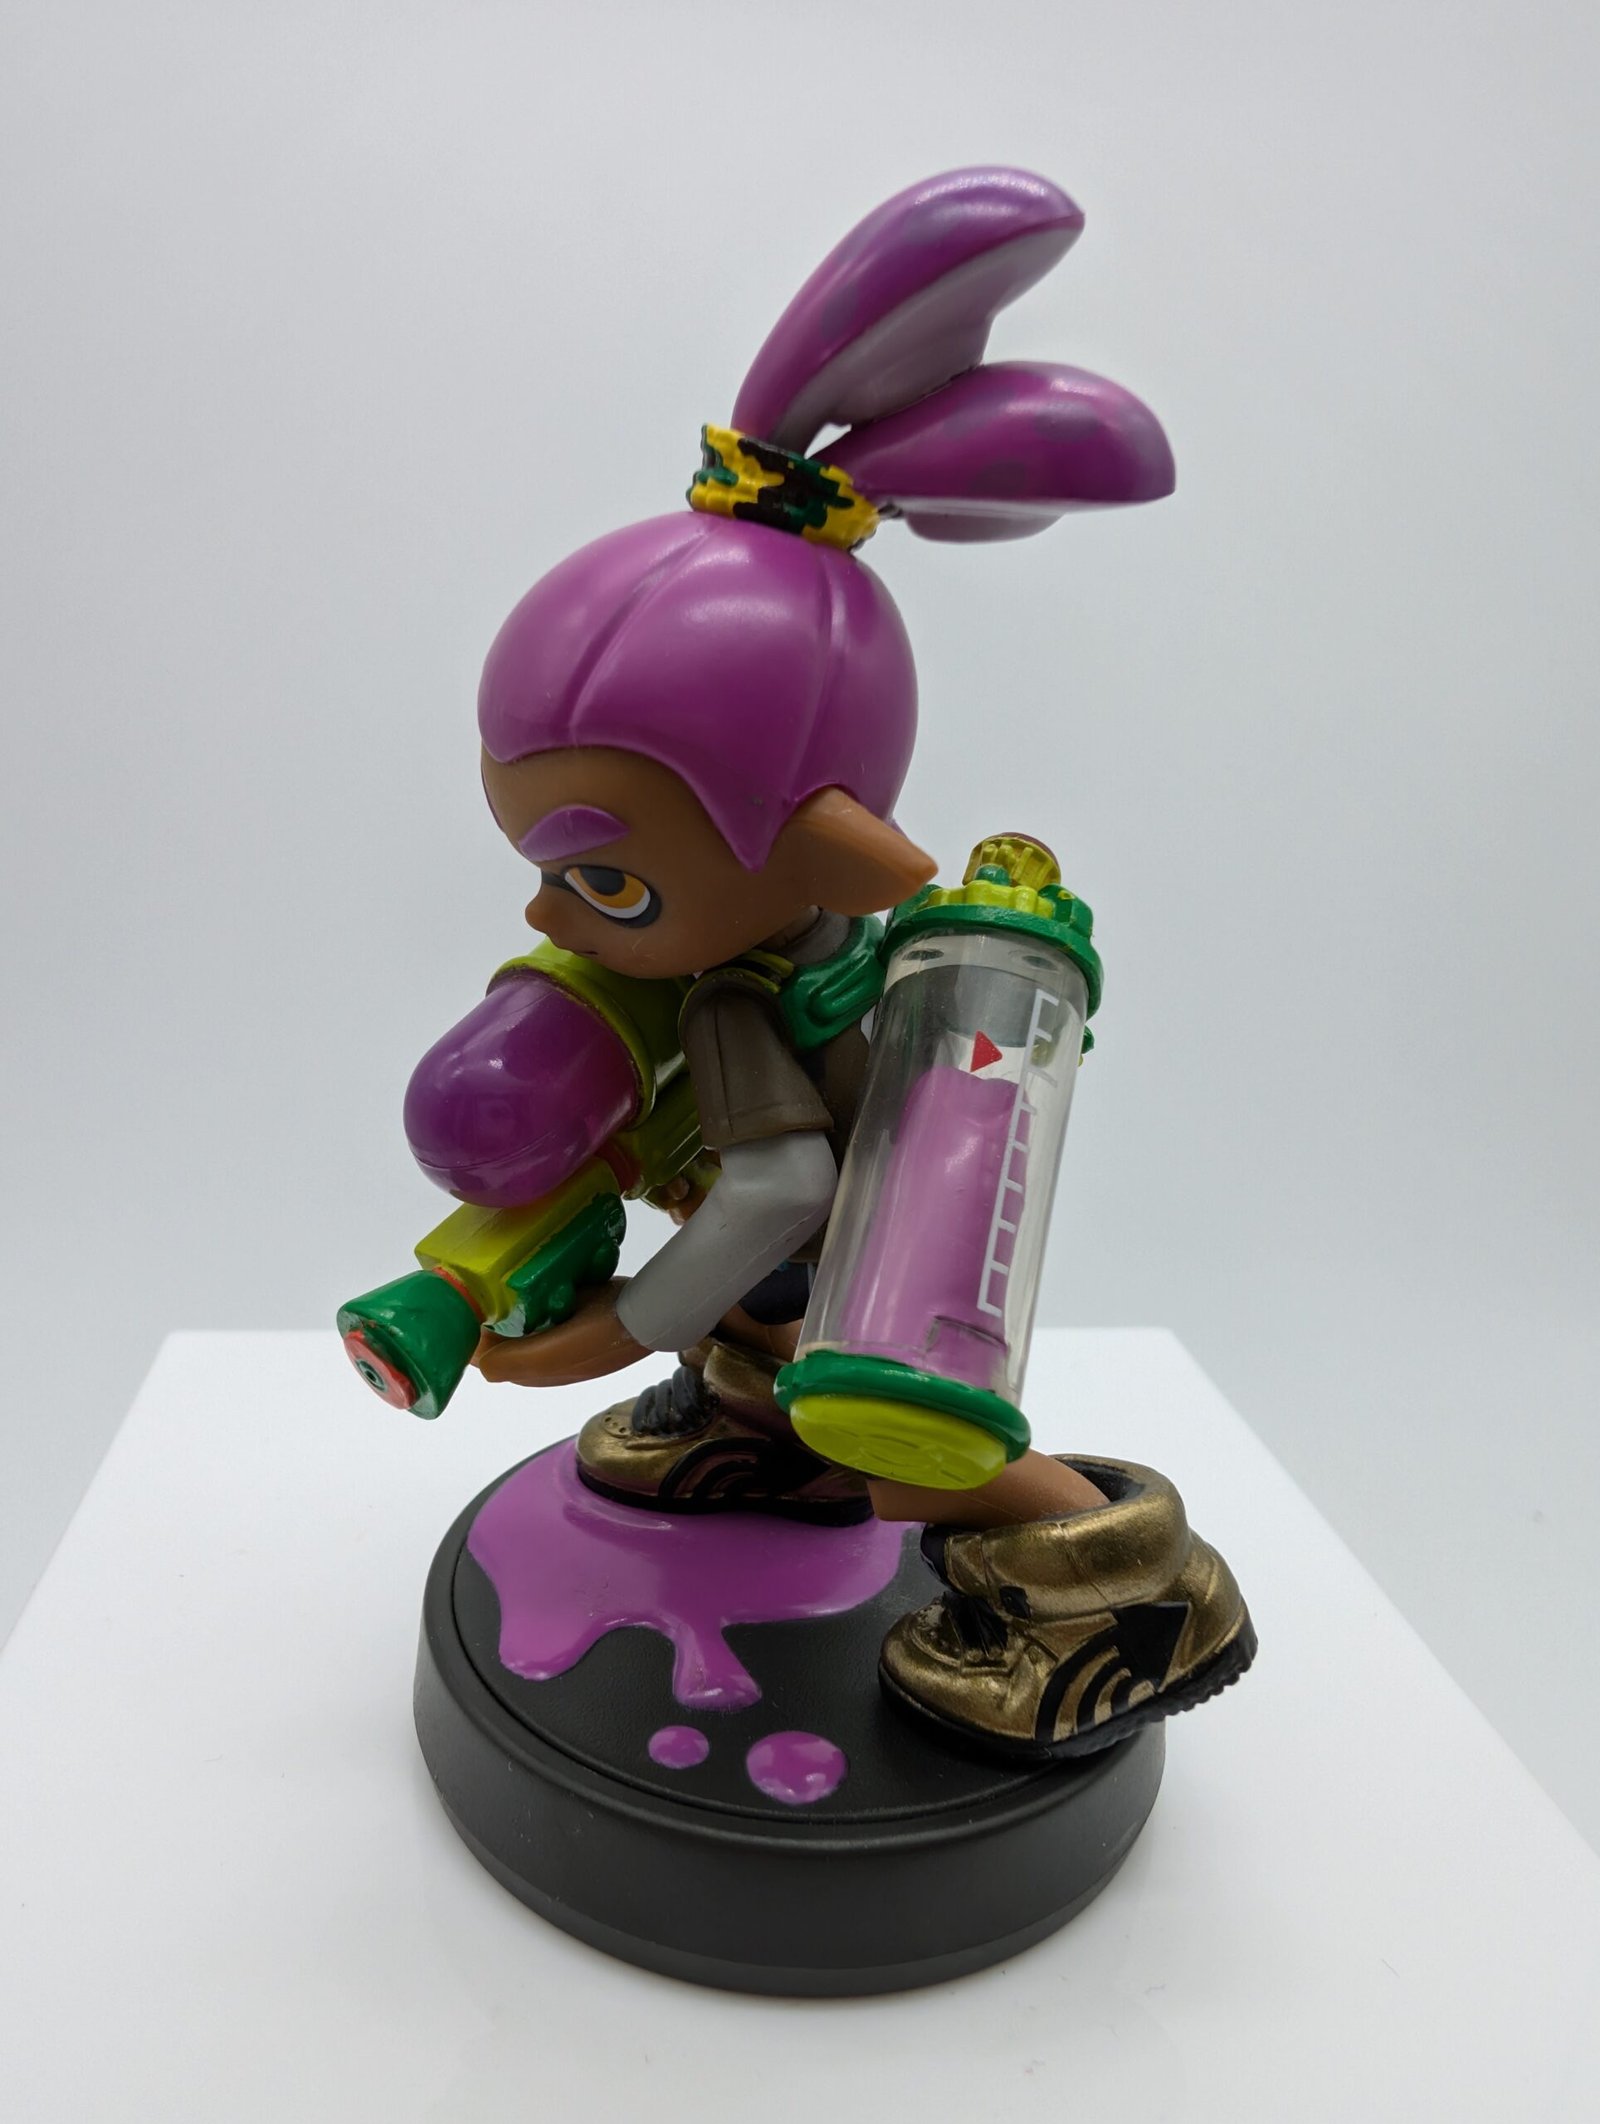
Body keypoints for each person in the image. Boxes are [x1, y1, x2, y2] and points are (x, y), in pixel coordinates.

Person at [402, 167, 1254, 1760]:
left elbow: (781, 1190)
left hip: (871, 1288)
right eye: (546, 870)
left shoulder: (743, 998)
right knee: (773, 1364)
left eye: (603, 880)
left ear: (834, 856)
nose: (549, 921)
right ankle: (763, 1446)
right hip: (805, 1286)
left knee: (901, 1447)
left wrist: (616, 1328)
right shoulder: (807, 948)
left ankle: (1126, 1591)